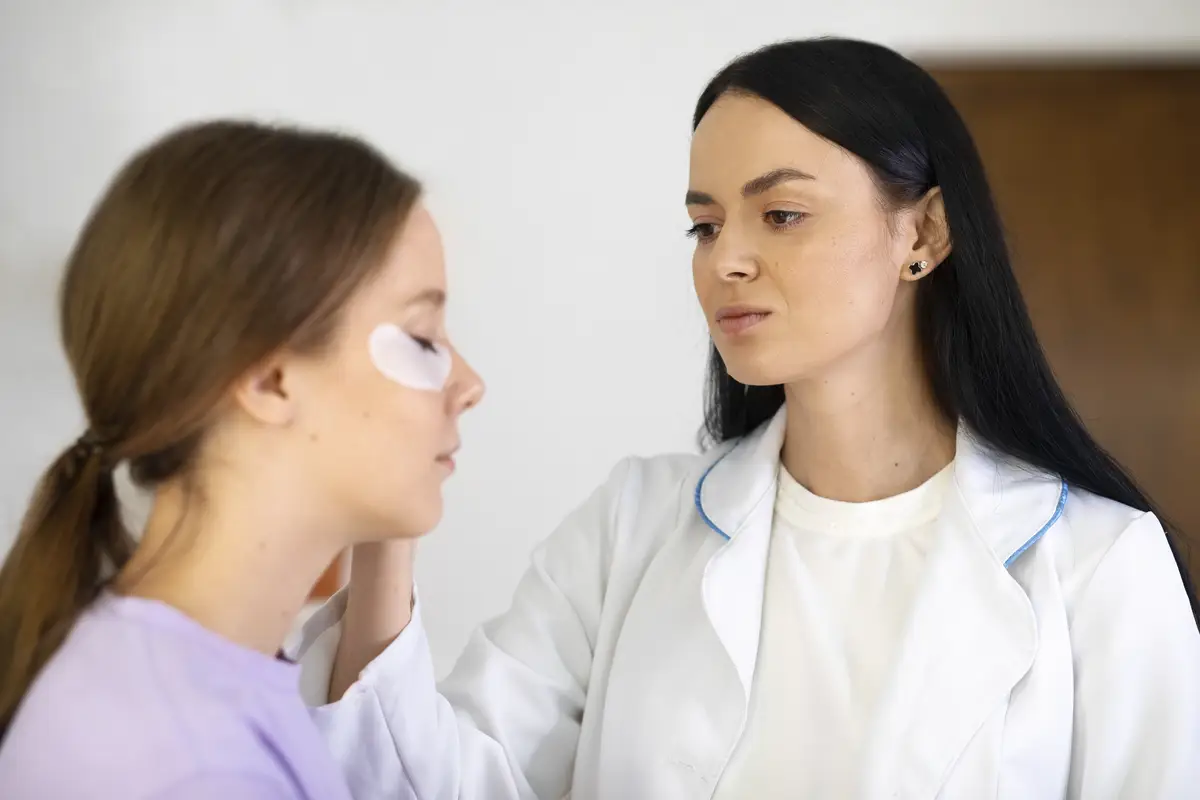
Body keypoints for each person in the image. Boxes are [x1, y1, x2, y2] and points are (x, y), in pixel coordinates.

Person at [293, 38, 1200, 799]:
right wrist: (385, 529)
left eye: (783, 214)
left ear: (922, 235)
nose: (727, 259)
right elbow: (427, 783)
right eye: (706, 225)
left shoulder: (1098, 565)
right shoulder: (631, 528)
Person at [0, 120, 484, 798]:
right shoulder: (188, 767)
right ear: (268, 380)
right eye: (423, 338)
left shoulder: (192, 684)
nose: (470, 385)